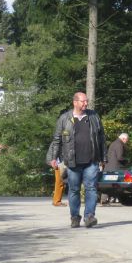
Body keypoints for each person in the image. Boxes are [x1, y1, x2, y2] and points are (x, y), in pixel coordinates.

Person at [46, 92, 107, 228]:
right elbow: (57, 140)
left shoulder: (94, 116)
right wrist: (53, 158)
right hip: (72, 162)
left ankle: (89, 216)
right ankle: (74, 217)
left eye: (86, 101)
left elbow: (101, 138)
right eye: (83, 101)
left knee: (91, 188)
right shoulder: (64, 118)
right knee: (74, 190)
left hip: (91, 161)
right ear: (75, 102)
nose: (86, 103)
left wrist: (103, 157)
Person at [101, 133, 129, 204]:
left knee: (107, 184)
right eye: (127, 140)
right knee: (117, 184)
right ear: (124, 139)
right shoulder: (120, 144)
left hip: (108, 167)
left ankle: (104, 199)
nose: (126, 142)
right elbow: (120, 157)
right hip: (116, 168)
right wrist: (127, 160)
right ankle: (117, 198)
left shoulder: (113, 143)